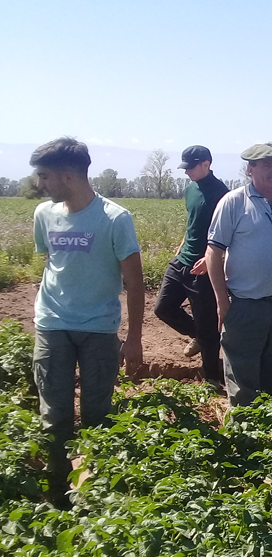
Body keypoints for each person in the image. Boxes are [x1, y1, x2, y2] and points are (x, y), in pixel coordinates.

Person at [29, 137, 144, 506]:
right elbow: (52, 262)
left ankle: (95, 497)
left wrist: (135, 339)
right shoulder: (44, 215)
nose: (40, 184)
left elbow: (135, 282)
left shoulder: (114, 218)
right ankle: (57, 497)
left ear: (68, 176)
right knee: (55, 416)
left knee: (97, 416)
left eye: (44, 176)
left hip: (98, 329)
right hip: (51, 325)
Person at [205, 143, 272, 406]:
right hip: (245, 307)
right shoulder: (234, 202)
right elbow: (213, 253)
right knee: (243, 385)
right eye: (267, 166)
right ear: (250, 169)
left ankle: (271, 438)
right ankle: (244, 440)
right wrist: (222, 302)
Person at [153, 145, 229, 389]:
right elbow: (193, 223)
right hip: (182, 260)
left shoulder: (222, 194)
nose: (187, 172)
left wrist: (212, 259)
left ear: (207, 164)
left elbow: (229, 233)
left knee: (208, 324)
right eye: (185, 168)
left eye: (191, 167)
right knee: (163, 308)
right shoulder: (191, 189)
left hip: (205, 265)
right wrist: (181, 244)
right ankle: (197, 335)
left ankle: (211, 377)